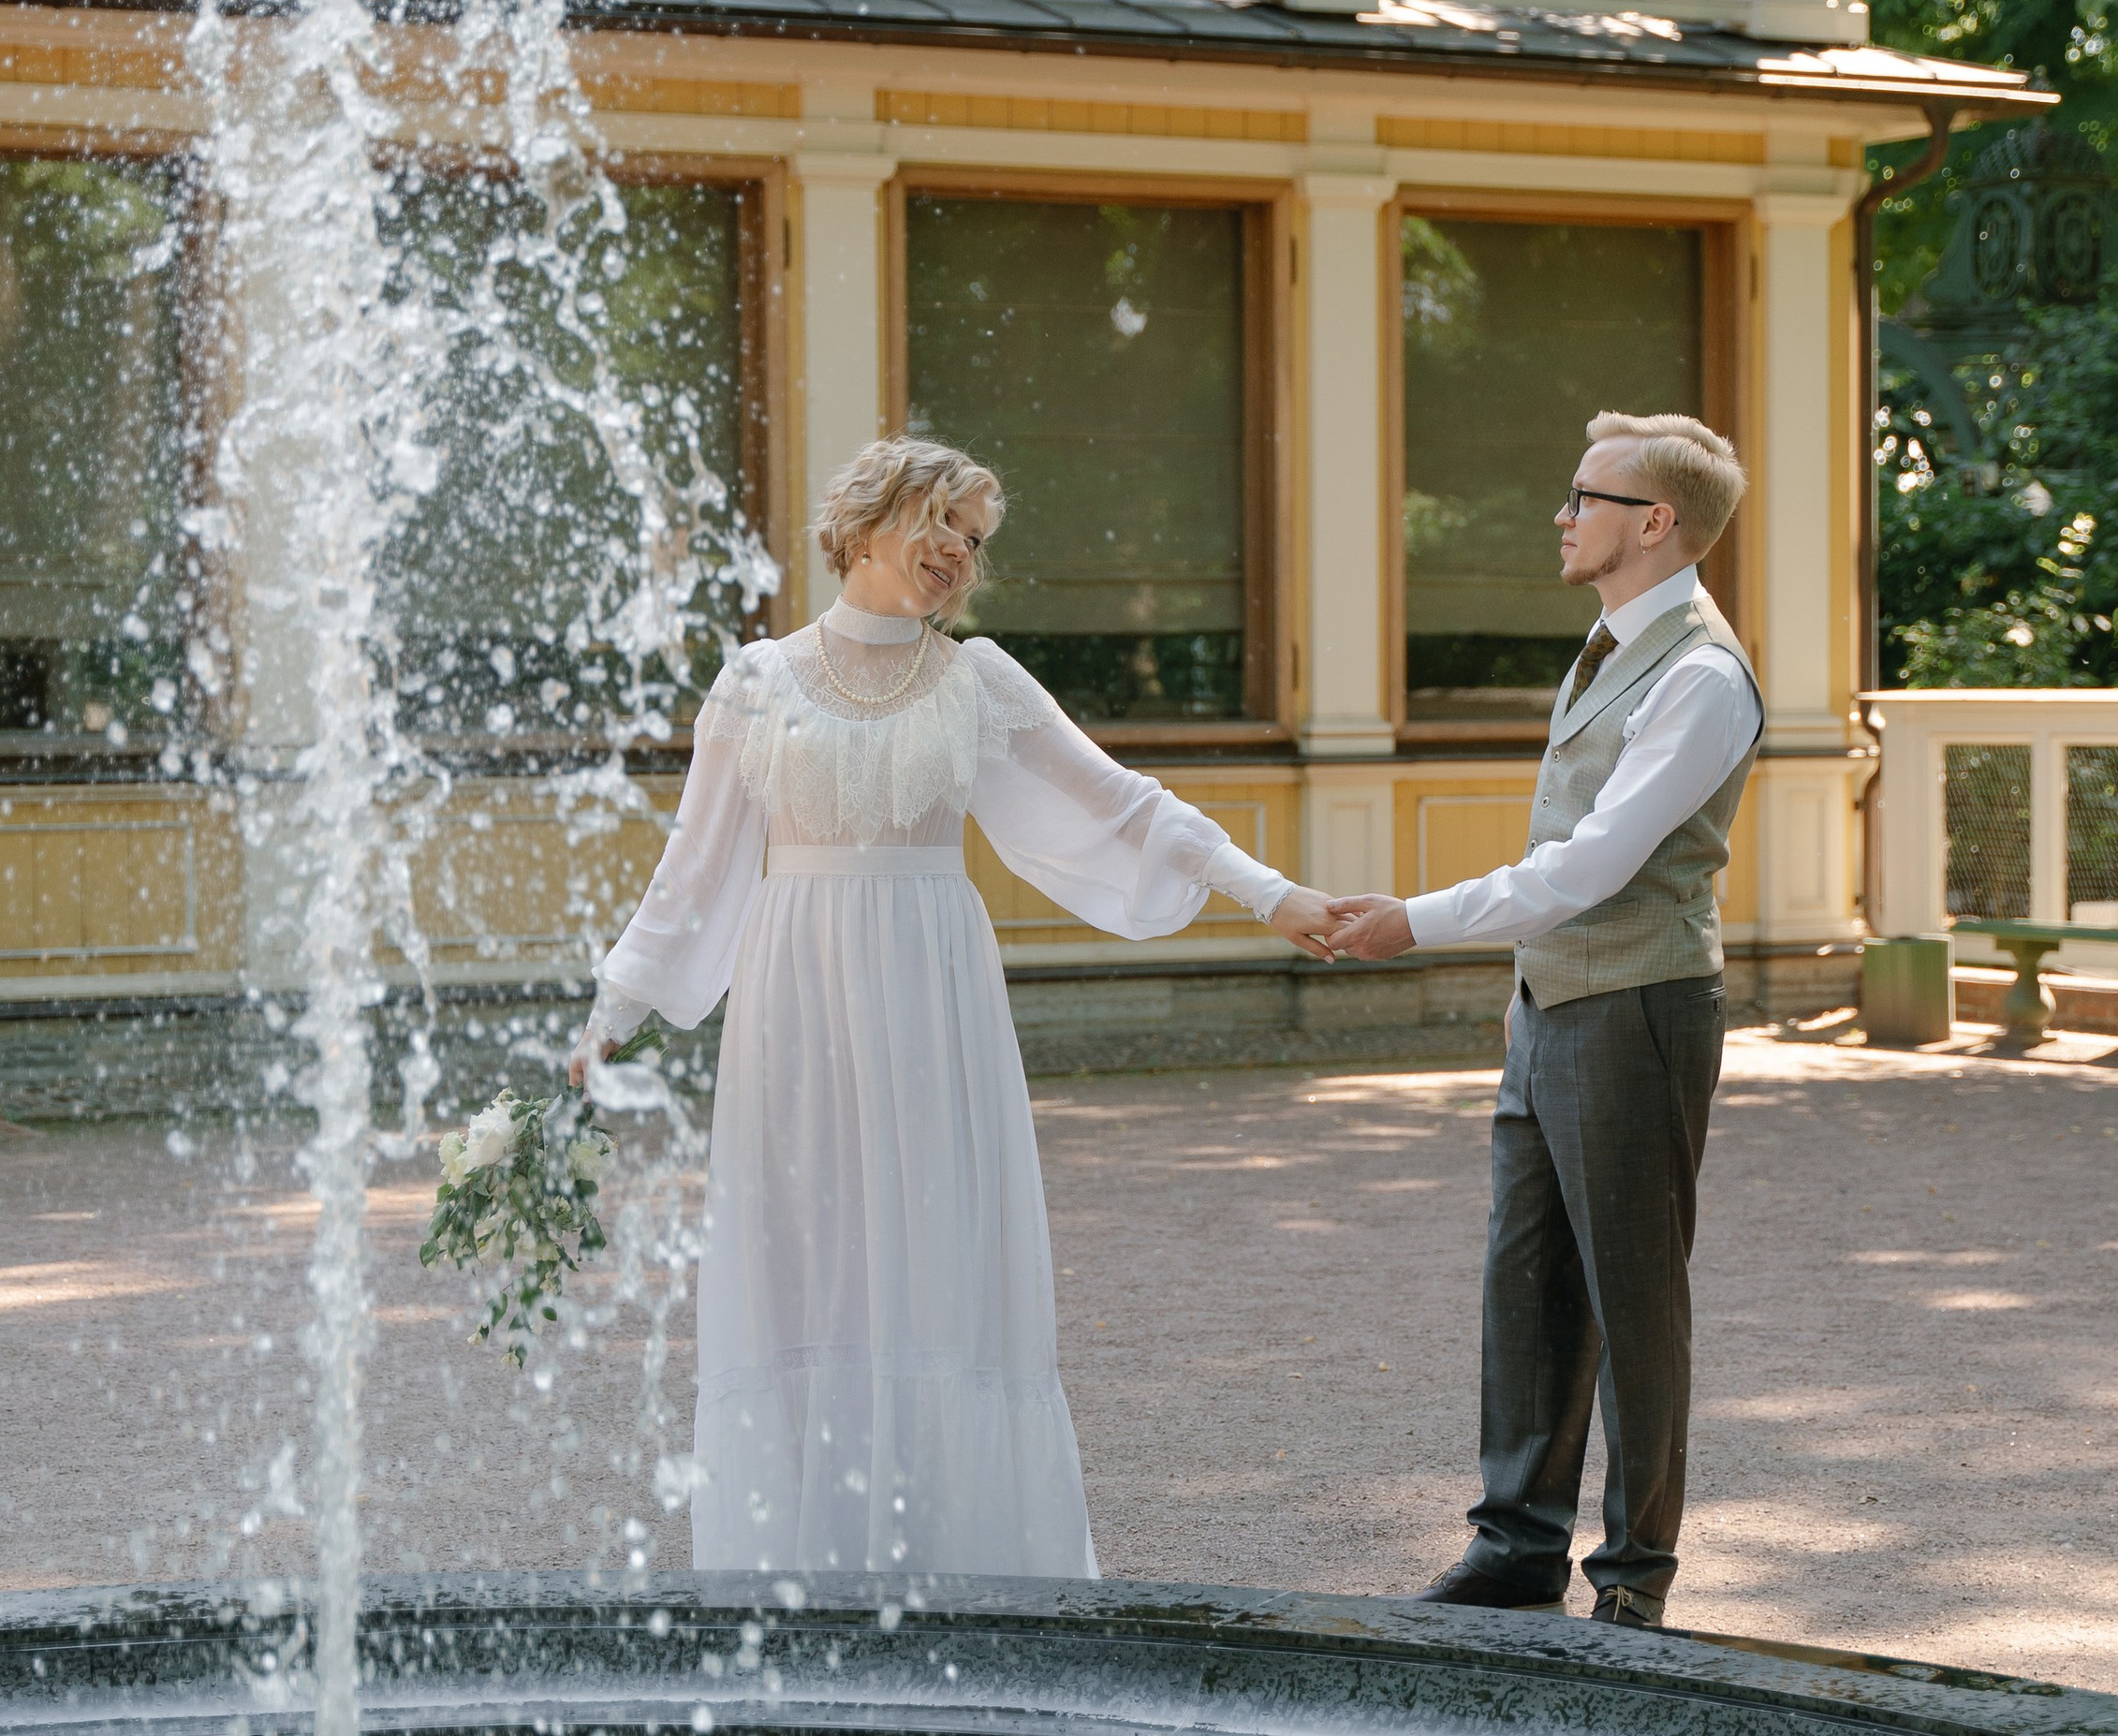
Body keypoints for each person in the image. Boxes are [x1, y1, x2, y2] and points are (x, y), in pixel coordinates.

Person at [571, 435, 1337, 1578]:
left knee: (938, 1248)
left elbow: (1127, 808)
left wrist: (1273, 896)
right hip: (796, 997)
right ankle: (808, 1558)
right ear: (871, 520)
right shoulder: (755, 683)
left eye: (975, 542)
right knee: (808, 1250)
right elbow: (694, 870)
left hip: (932, 992)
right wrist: (608, 1021)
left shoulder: (977, 680)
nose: (959, 557)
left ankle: (956, 1552)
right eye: (945, 526)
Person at [1327, 411, 1759, 1625]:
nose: (1562, 516)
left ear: (1656, 523)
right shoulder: (1619, 642)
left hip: (1637, 1008)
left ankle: (1633, 1581)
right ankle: (1517, 1548)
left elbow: (1589, 867)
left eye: (1586, 497)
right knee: (1527, 1285)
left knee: (1633, 1298)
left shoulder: (1700, 676)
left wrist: (1411, 920)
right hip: (1553, 1004)